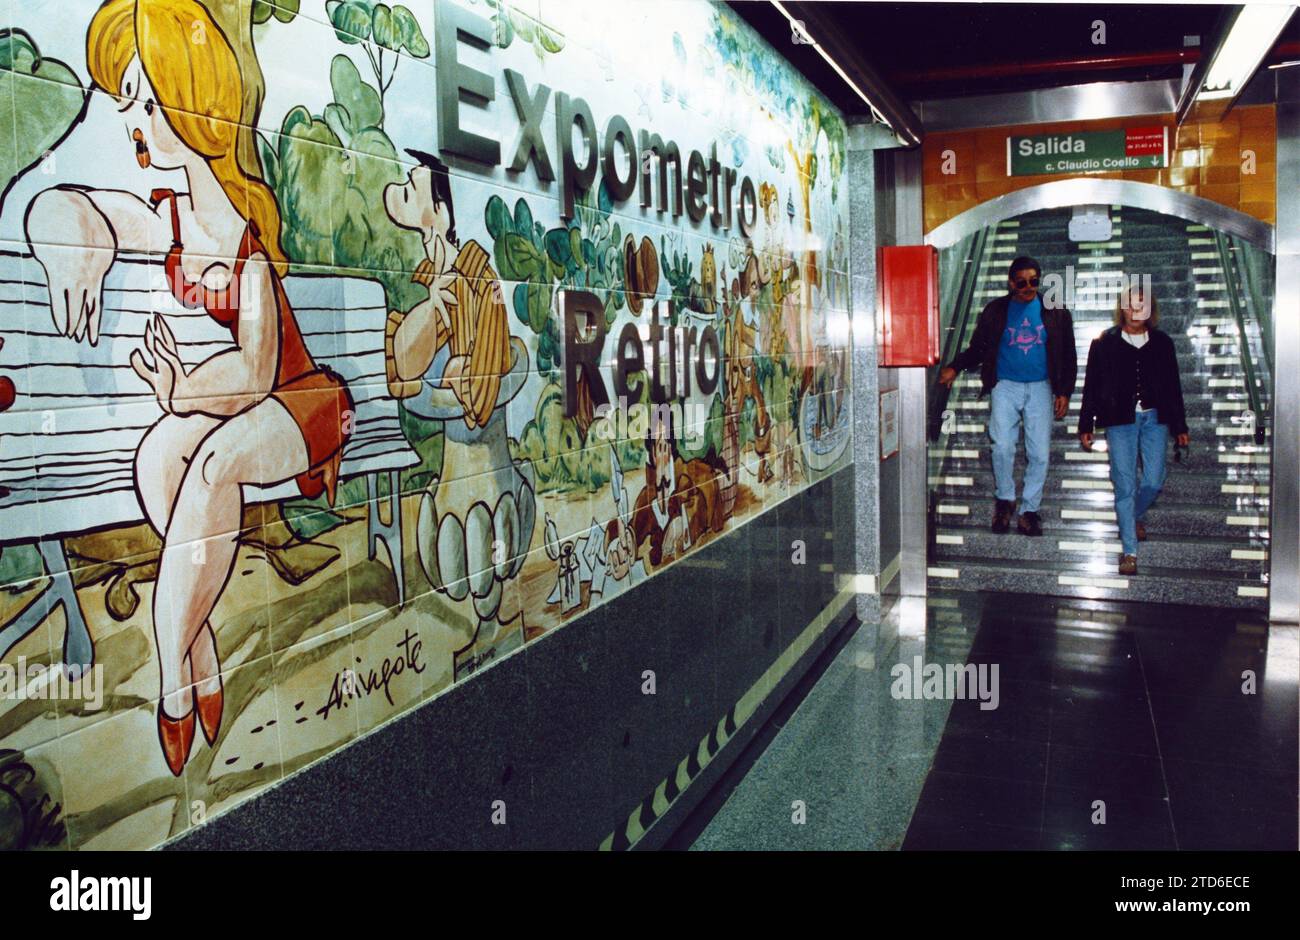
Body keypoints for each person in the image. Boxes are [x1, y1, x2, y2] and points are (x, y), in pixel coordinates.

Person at [25, 0, 352, 776]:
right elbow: (69, 208)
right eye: (124, 97)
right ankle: (199, 644)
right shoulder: (169, 216)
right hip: (233, 404)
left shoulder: (244, 235)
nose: (129, 115)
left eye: (142, 96)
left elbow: (253, 373)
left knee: (207, 465)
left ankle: (174, 686)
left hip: (302, 403)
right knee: (155, 463)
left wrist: (180, 391)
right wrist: (69, 240)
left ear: (191, 103)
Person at [938, 256, 1076, 536]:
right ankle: (1005, 499)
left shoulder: (1055, 311)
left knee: (1039, 453)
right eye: (1022, 282)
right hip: (1005, 386)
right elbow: (978, 348)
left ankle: (1029, 510)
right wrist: (955, 366)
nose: (1028, 287)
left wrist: (1064, 391)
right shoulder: (996, 311)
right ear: (1011, 283)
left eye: (1034, 281)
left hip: (1040, 386)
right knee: (1001, 446)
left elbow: (1068, 355)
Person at [1078, 284, 1189, 575]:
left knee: (1154, 479)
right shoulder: (1105, 342)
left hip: (1156, 419)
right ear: (1122, 307)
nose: (1136, 309)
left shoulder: (1163, 342)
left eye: (1143, 304)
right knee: (1125, 484)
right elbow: (1092, 385)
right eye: (1131, 303)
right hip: (1119, 421)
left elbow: (1173, 386)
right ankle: (1129, 552)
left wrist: (1180, 425)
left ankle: (1132, 516)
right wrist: (1085, 423)